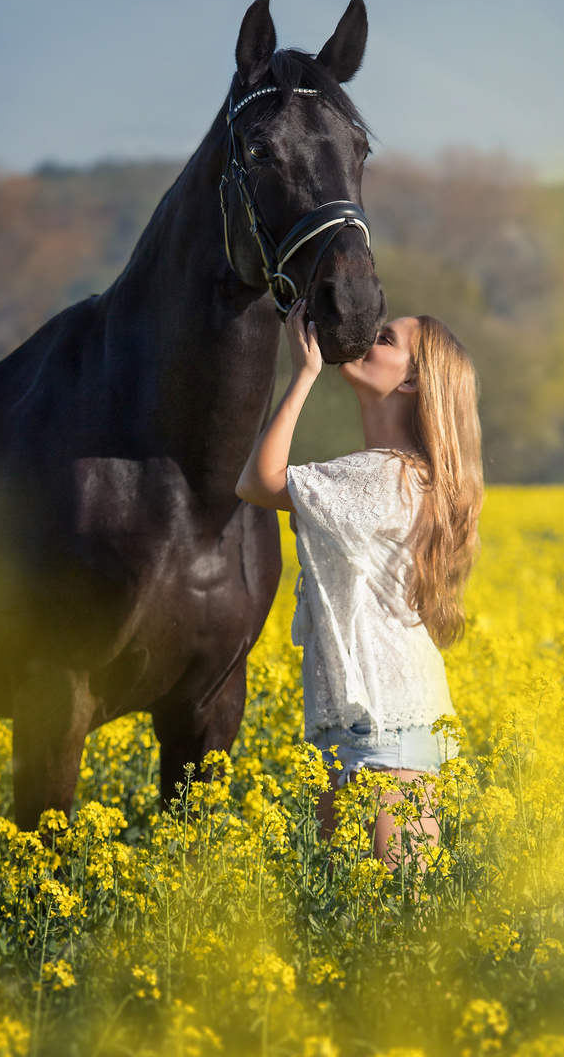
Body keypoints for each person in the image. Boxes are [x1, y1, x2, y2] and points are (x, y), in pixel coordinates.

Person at [236, 298, 483, 868]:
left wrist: (303, 376)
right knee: (366, 926)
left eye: (387, 340)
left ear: (413, 383)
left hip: (379, 726)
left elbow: (258, 480)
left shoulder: (381, 478)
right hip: (371, 721)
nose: (368, 338)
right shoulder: (399, 473)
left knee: (390, 923)